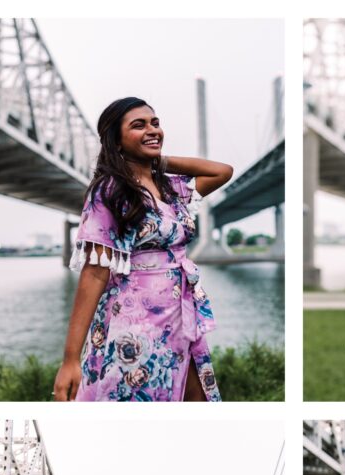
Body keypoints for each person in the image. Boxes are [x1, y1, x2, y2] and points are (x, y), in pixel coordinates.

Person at [53, 97, 233, 402]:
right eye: (139, 125)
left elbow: (222, 171)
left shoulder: (170, 187)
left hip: (180, 315)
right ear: (116, 141)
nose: (153, 130)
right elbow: (95, 272)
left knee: (197, 401)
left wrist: (158, 160)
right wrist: (70, 360)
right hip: (134, 323)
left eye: (155, 123)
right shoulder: (109, 190)